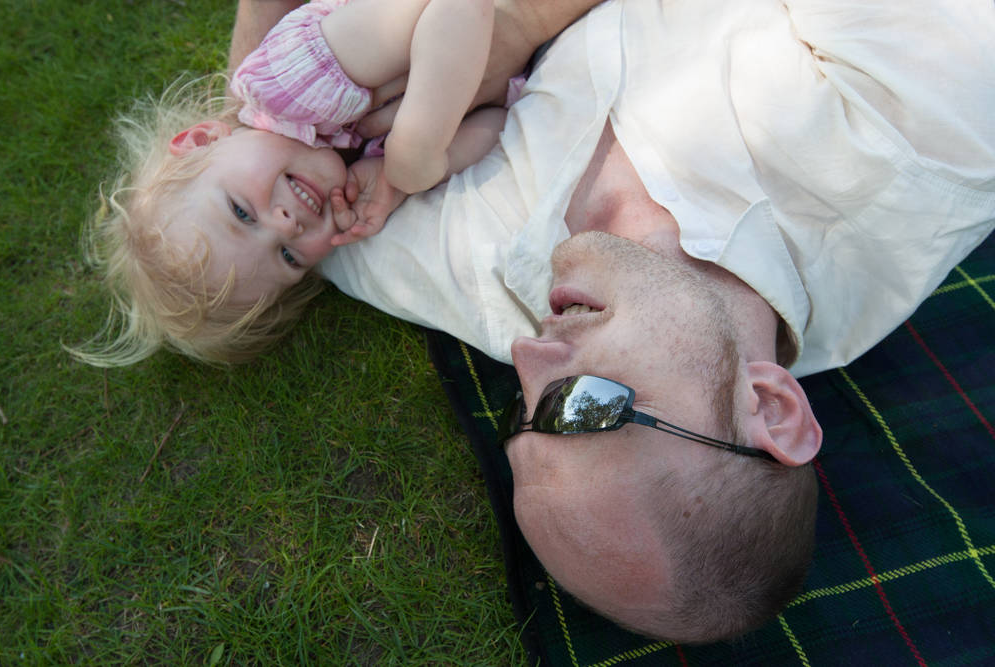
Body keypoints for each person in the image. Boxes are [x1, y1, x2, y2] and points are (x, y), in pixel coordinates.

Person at [309, 0, 995, 641]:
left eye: (520, 415)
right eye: (580, 408)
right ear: (770, 406)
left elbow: (278, 204)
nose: (525, 354)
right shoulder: (918, 138)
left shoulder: (487, 284)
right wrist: (518, 23)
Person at [73, 0, 504, 365]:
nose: (285, 225)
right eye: (288, 256)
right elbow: (497, 122)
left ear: (202, 140)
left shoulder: (296, 81)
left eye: (241, 212)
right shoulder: (351, 169)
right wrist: (398, 182)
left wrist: (414, 147)